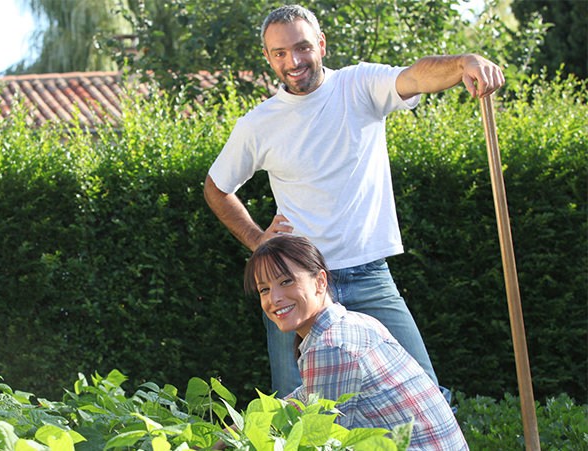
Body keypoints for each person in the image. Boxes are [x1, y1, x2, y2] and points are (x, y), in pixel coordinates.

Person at [203, 3, 505, 397]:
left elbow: (416, 76)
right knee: (294, 410)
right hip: (297, 282)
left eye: (302, 47)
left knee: (425, 393)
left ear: (322, 45)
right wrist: (258, 240)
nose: (293, 61)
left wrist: (465, 62)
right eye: (280, 53)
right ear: (268, 57)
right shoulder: (258, 124)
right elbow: (216, 188)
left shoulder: (359, 85)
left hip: (369, 275)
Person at [245, 235, 468, 450]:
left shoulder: (329, 347)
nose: (274, 299)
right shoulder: (356, 322)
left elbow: (321, 443)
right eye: (264, 289)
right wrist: (242, 428)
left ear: (320, 281)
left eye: (286, 281)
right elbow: (306, 397)